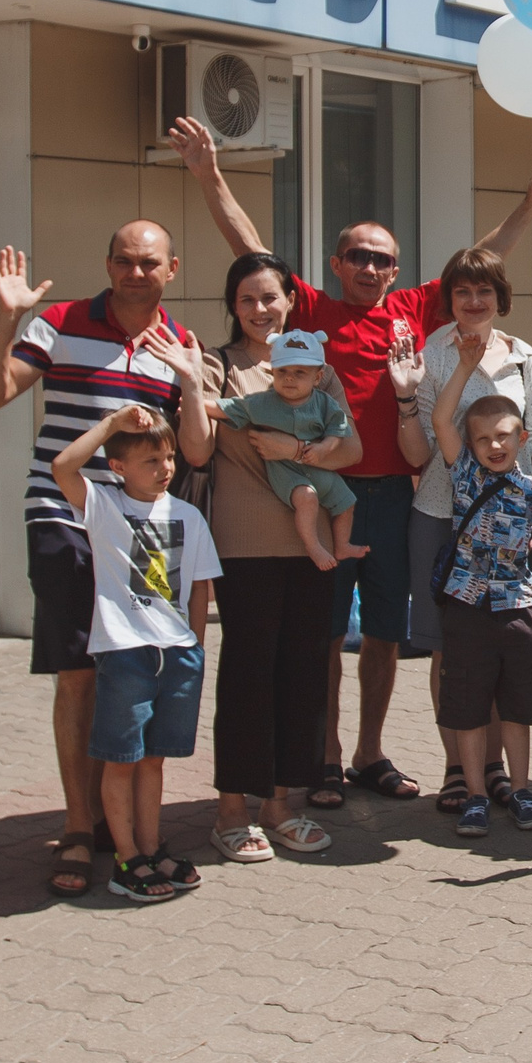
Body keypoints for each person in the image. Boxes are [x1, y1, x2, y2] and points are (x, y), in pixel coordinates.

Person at [168, 118, 532, 809]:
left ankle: (367, 752)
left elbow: (481, 264)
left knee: (383, 635)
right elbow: (248, 248)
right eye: (357, 255)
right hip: (318, 495)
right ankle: (321, 756)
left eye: (382, 259)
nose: (370, 268)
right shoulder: (309, 310)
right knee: (321, 638)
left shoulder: (413, 310)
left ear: (396, 267)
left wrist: (529, 207)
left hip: (392, 497)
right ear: (334, 264)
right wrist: (210, 176)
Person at [0, 224, 212, 900]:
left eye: (149, 262)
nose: (136, 272)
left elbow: (193, 453)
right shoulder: (61, 323)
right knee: (79, 675)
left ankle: (128, 829)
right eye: (125, 261)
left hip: (146, 532)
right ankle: (80, 828)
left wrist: (190, 384)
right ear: (109, 264)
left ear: (172, 268)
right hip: (65, 517)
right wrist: (7, 321)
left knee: (134, 670)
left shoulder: (179, 343)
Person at [179, 253, 360, 863]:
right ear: (234, 306)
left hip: (311, 551)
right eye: (248, 299)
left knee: (302, 674)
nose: (262, 310)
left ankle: (281, 805)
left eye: (272, 298)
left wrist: (299, 449)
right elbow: (199, 453)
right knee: (249, 674)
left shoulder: (318, 369)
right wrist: (187, 383)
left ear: (290, 301)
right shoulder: (218, 366)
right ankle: (231, 810)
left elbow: (350, 449)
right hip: (246, 541)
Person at [401, 248, 532, 814]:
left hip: (515, 528)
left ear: (499, 297)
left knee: (500, 644)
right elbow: (425, 437)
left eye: (484, 291)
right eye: (463, 292)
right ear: (450, 299)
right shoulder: (433, 353)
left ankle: (495, 769)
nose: (473, 302)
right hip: (443, 515)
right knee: (451, 646)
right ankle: (456, 767)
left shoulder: (523, 357)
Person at [50, 403, 222, 904]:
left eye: (169, 458)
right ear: (119, 467)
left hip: (178, 655)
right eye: (151, 460)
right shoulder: (103, 506)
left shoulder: (187, 515)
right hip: (126, 653)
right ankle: (126, 860)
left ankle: (151, 848)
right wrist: (110, 426)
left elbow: (197, 589)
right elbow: (63, 467)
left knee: (154, 761)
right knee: (122, 760)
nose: (165, 468)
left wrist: (194, 646)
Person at [429, 391, 532, 840]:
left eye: (504, 436)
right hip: (466, 609)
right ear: (470, 447)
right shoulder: (465, 475)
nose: (494, 445)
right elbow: (441, 419)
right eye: (483, 438)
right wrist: (466, 364)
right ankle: (475, 795)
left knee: (517, 707)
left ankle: (522, 790)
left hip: (517, 612)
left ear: (523, 438)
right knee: (467, 707)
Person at [210, 330, 358, 564]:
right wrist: (193, 404)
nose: (290, 378)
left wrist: (325, 448)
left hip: (318, 469)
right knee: (307, 499)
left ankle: (342, 545)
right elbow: (227, 407)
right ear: (272, 372)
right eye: (283, 372)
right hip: (286, 473)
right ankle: (314, 546)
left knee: (347, 502)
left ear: (317, 377)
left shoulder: (324, 402)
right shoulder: (262, 402)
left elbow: (338, 430)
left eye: (300, 372)